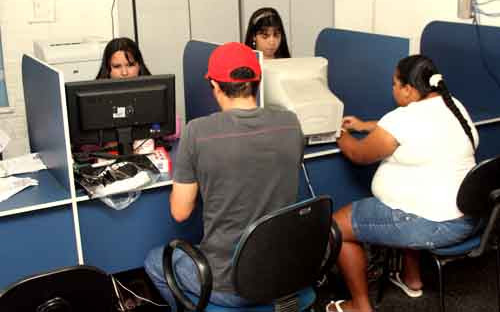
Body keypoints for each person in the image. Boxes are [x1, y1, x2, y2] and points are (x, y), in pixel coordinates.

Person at [144, 42, 304, 311]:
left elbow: (180, 212)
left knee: (154, 261)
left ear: (214, 85)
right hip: (283, 274)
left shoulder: (197, 132)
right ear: (258, 79)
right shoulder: (291, 122)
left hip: (226, 284)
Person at [327, 55, 479, 312]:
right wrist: (367, 126)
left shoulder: (403, 119)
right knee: (412, 202)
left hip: (431, 225)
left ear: (409, 90)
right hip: (468, 220)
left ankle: (359, 307)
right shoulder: (453, 106)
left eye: (395, 84)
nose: (393, 89)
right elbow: (413, 130)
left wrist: (336, 131)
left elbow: (358, 154)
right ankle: (412, 278)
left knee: (336, 227)